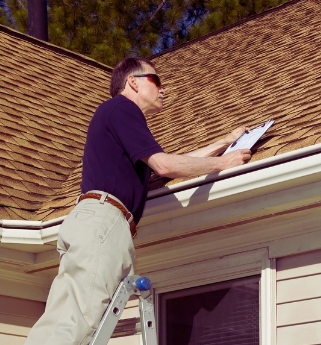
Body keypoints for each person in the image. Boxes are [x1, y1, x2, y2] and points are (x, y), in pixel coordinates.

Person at [24, 57, 252, 345]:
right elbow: (164, 165)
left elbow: (168, 165)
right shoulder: (123, 108)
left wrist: (225, 142)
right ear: (132, 81)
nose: (164, 89)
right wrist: (223, 163)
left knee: (66, 323)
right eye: (156, 80)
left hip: (95, 222)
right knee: (77, 325)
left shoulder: (116, 122)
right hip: (104, 223)